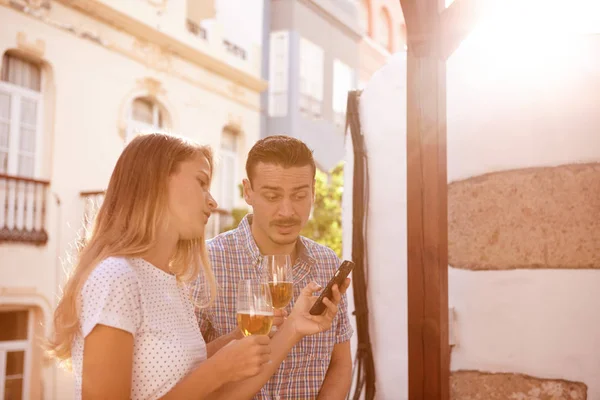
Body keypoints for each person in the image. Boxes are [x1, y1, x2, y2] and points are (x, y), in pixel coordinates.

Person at [46, 132, 348, 400]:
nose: (213, 201)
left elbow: (195, 382)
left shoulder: (169, 281)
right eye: (202, 183)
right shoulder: (116, 277)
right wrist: (218, 370)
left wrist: (284, 329)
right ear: (155, 183)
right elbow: (207, 381)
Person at [195, 135, 354, 400]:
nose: (287, 211)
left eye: (300, 195)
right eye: (272, 196)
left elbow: (340, 362)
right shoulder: (207, 263)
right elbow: (187, 372)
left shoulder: (327, 262)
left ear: (313, 191)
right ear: (248, 191)